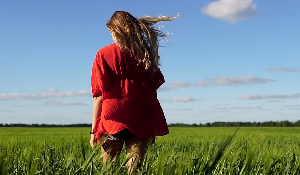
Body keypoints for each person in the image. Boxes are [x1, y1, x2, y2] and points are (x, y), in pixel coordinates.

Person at [89, 11, 179, 174]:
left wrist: (94, 129)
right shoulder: (145, 53)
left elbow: (98, 95)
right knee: (134, 169)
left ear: (115, 31)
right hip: (141, 114)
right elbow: (153, 89)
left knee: (110, 170)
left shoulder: (103, 54)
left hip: (113, 117)